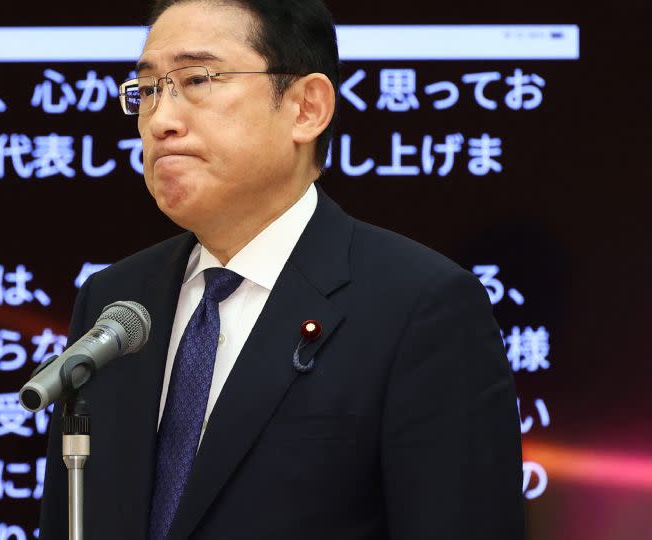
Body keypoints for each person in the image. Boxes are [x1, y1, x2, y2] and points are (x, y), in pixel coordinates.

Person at [39, 0, 526, 538]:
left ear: (306, 108)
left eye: (198, 79)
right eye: (149, 90)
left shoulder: (421, 307)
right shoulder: (116, 302)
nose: (161, 121)